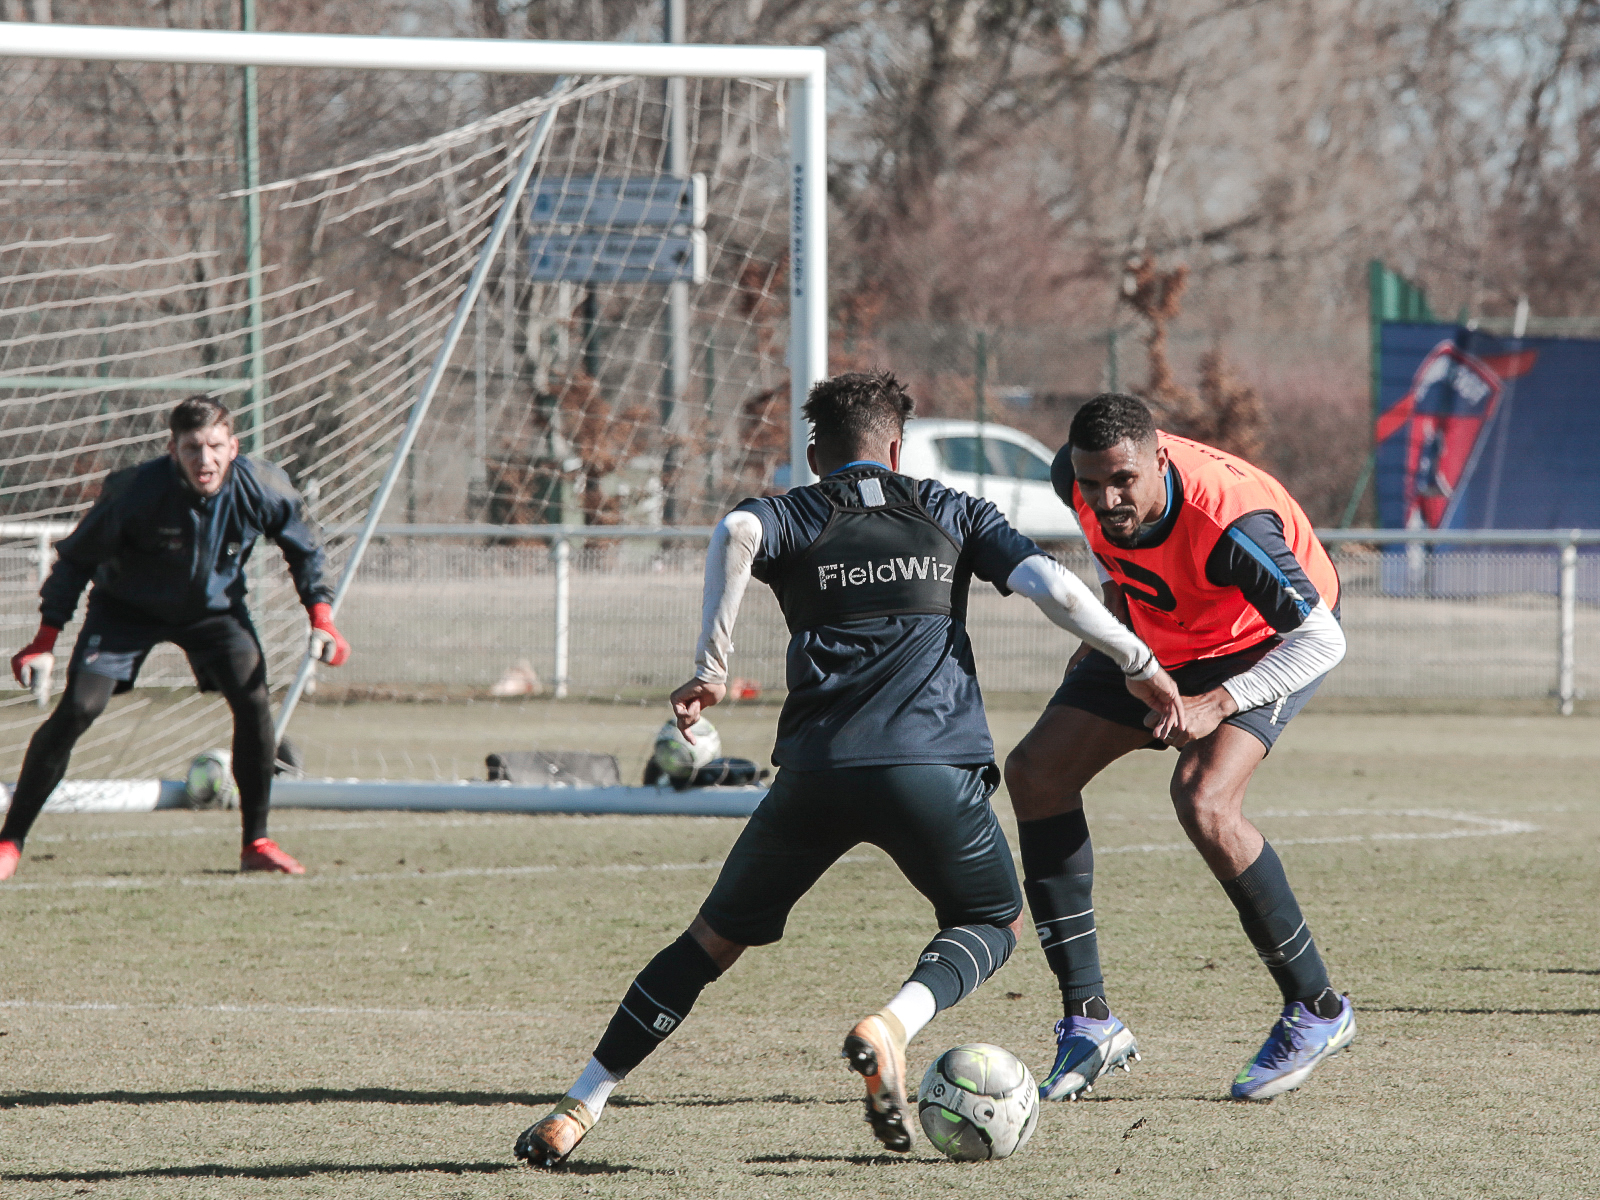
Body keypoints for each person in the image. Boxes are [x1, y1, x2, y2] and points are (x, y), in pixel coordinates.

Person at [513, 371, 1184, 1169]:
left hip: (817, 773)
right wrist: (1139, 661)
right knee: (993, 921)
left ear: (813, 455)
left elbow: (735, 531)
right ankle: (892, 1025)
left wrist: (710, 667)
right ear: (896, 448)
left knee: (708, 944)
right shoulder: (949, 509)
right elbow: (1053, 586)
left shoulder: (794, 513)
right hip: (930, 768)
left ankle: (581, 1102)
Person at [1005, 392, 1354, 1104]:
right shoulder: (1074, 477)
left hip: (1261, 644)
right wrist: (1109, 619)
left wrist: (1217, 702)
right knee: (1036, 774)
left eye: (1123, 481)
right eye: (1092, 483)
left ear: (1159, 459)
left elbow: (1323, 639)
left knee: (1204, 800)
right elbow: (1110, 552)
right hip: (1159, 630)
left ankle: (1318, 1008)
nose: (1106, 498)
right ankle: (1090, 1022)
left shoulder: (1232, 525)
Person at [1, 397, 350, 880]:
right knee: (79, 708)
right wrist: (45, 639)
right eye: (192, 448)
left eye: (215, 447)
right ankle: (10, 842)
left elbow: (305, 549)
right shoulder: (135, 491)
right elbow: (76, 559)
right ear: (172, 449)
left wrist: (322, 617)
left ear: (233, 447)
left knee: (253, 699)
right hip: (124, 612)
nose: (204, 460)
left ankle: (257, 843)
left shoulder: (262, 487)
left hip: (215, 614)